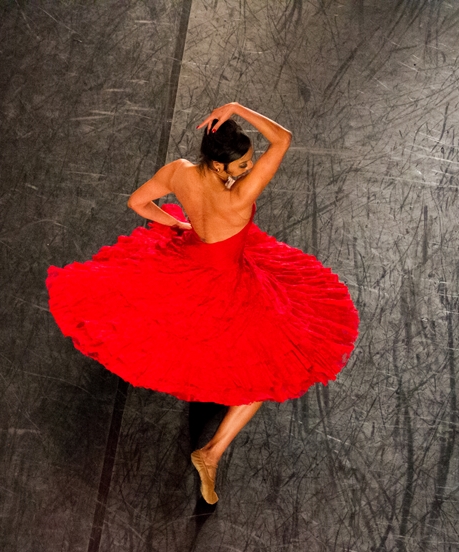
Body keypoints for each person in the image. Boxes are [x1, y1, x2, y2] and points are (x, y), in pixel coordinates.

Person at [46, 103, 359, 504]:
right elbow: (283, 139)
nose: (248, 168)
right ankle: (211, 452)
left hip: (189, 263)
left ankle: (209, 449)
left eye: (248, 162)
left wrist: (177, 224)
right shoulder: (240, 195)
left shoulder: (179, 171)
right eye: (243, 163)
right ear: (219, 165)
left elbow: (138, 204)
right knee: (263, 369)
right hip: (228, 284)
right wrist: (238, 108)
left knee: (169, 325)